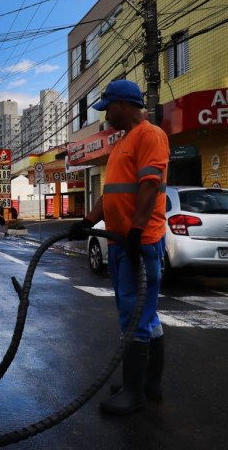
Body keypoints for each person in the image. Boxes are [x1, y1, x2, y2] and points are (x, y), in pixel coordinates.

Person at [68, 80, 169, 415]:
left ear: (124, 105)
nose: (106, 115)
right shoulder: (124, 142)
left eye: (108, 108)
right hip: (123, 240)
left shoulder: (149, 134)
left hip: (139, 241)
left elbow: (150, 184)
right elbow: (110, 192)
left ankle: (134, 392)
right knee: (145, 314)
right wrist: (87, 222)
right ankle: (145, 385)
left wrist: (138, 230)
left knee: (135, 314)